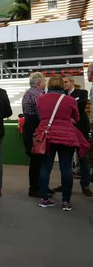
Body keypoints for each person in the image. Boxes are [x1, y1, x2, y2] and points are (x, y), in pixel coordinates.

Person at [35, 75, 90, 210]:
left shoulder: (40, 99)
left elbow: (40, 115)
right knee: (66, 169)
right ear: (61, 85)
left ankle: (44, 199)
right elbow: (76, 118)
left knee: (45, 168)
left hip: (47, 136)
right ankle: (66, 201)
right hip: (66, 136)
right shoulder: (70, 100)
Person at [52, 75, 92, 196]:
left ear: (72, 82)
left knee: (83, 157)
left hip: (81, 128)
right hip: (66, 129)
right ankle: (65, 184)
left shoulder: (82, 92)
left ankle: (85, 184)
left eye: (66, 82)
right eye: (62, 82)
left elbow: (81, 105)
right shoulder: (61, 95)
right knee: (66, 159)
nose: (64, 84)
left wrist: (68, 105)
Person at [21, 72, 54, 198]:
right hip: (36, 129)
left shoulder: (30, 92)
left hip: (31, 128)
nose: (45, 84)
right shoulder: (38, 94)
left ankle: (40, 186)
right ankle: (35, 188)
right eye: (44, 81)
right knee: (37, 160)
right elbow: (42, 113)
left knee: (37, 160)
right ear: (39, 82)